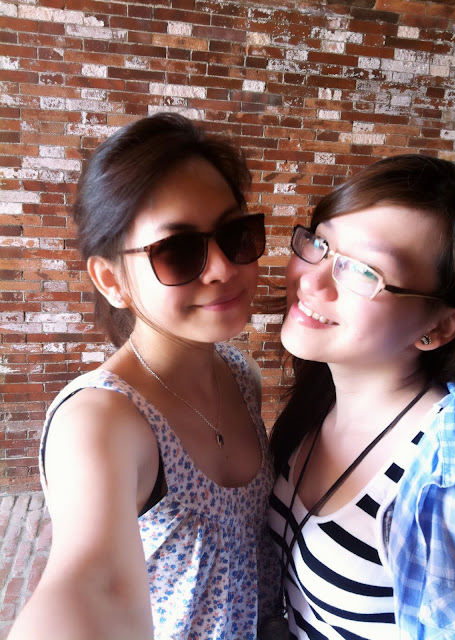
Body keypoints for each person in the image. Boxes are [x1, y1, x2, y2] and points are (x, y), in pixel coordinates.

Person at [8, 113, 275, 640]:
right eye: (178, 251)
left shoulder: (241, 376)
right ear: (112, 280)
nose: (223, 268)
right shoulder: (101, 418)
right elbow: (90, 585)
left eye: (235, 235)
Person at [267, 155, 455, 640]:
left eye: (364, 271)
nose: (311, 280)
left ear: (439, 327)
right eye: (320, 244)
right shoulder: (320, 400)